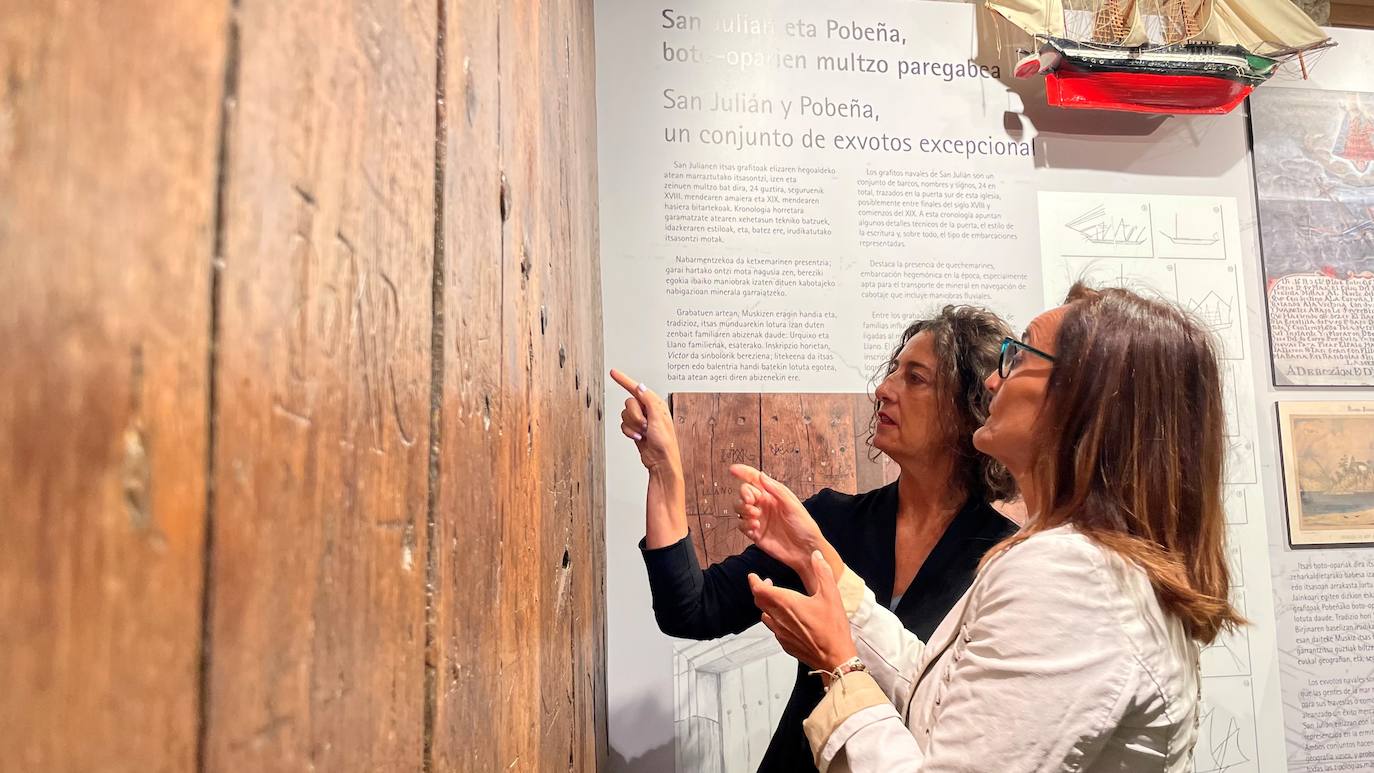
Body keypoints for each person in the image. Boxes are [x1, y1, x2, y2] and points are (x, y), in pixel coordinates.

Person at [737, 284, 1243, 772]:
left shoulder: (1072, 579)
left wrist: (838, 665)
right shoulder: (1080, 564)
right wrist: (817, 561)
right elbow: (935, 697)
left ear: (1082, 401)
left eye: (1018, 359)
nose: (994, 382)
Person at [610, 305, 1020, 773]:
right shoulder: (830, 523)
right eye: (893, 372)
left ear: (968, 410)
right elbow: (689, 609)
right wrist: (664, 470)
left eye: (916, 378)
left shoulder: (1005, 564)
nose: (884, 390)